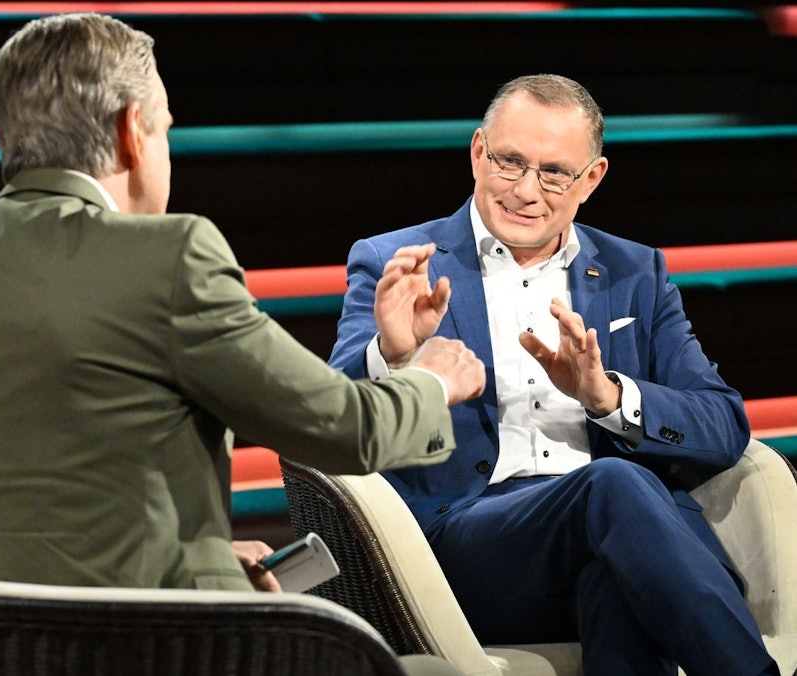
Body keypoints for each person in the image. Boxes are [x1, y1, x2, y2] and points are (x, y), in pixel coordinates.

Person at [0, 14, 484, 671]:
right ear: (131, 131)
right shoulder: (168, 255)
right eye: (166, 128)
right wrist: (432, 376)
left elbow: (45, 509)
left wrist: (202, 558)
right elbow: (347, 431)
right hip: (154, 648)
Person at [329, 74, 780, 675]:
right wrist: (393, 352)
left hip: (632, 543)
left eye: (554, 173)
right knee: (612, 483)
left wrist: (609, 397)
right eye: (510, 162)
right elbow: (329, 422)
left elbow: (723, 424)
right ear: (478, 152)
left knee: (616, 580)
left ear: (591, 179)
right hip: (469, 547)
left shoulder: (634, 272)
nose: (525, 191)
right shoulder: (398, 261)